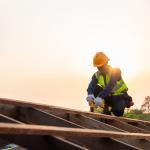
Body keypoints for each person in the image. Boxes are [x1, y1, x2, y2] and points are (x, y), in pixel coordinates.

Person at [86, 52, 134, 116]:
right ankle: (106, 108)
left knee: (117, 112)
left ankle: (127, 102)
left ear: (106, 63)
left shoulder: (116, 71)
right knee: (94, 89)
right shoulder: (96, 75)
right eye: (98, 67)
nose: (100, 69)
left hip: (120, 97)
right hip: (108, 96)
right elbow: (91, 86)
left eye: (101, 66)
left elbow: (111, 85)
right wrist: (90, 94)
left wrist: (100, 97)